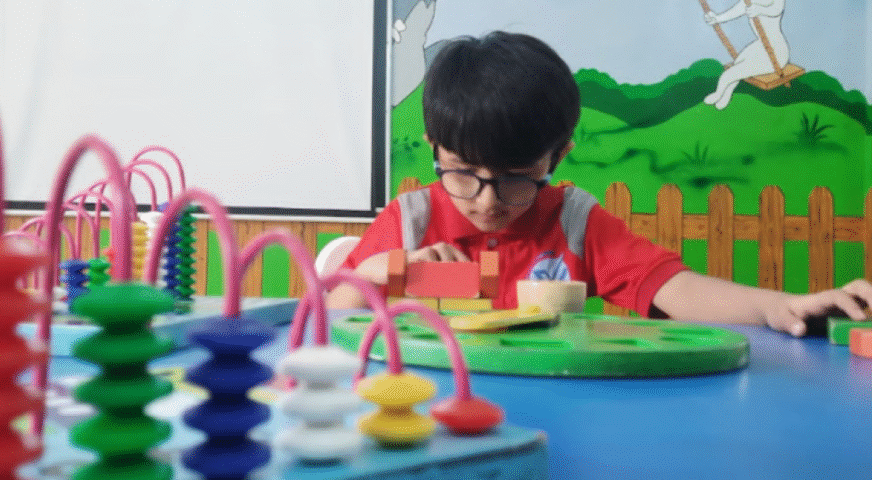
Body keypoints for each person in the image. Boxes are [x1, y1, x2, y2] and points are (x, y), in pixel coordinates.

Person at [326, 31, 870, 336]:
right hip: (431, 410)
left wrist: (780, 306)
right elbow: (330, 317)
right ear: (434, 146)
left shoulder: (574, 222)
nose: (488, 202)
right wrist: (380, 271)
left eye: (517, 178)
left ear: (558, 155)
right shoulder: (412, 220)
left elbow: (672, 287)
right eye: (465, 174)